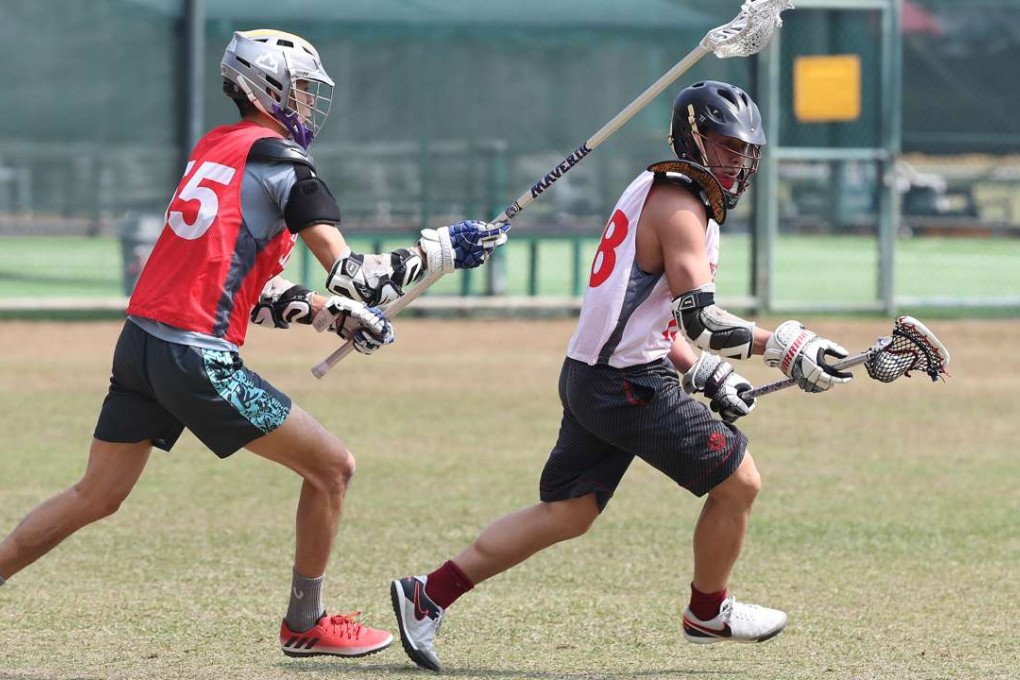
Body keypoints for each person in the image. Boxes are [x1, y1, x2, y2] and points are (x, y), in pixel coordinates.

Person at [0, 29, 508, 660]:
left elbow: (246, 285)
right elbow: (360, 277)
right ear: (267, 86)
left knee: (94, 495)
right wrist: (442, 251)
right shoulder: (284, 163)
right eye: (299, 86)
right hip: (194, 357)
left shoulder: (216, 148)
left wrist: (329, 315)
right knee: (331, 469)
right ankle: (305, 624)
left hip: (141, 345)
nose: (308, 100)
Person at [388, 80, 853, 672]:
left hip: (594, 373)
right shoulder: (680, 206)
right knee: (739, 483)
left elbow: (655, 320)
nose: (739, 161)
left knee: (568, 512)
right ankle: (707, 611)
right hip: (626, 383)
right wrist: (786, 345)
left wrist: (705, 372)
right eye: (727, 145)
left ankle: (427, 595)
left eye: (746, 150)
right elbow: (703, 319)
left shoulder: (662, 190)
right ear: (693, 137)